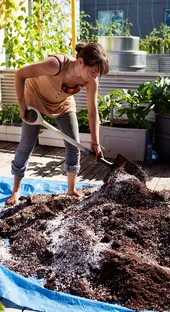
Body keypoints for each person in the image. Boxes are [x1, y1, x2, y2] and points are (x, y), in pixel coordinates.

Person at [7, 42, 110, 205]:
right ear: (80, 61)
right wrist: (22, 107)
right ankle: (16, 190)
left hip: (63, 104)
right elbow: (20, 74)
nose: (94, 76)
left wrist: (96, 143)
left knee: (74, 144)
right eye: (92, 72)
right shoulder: (56, 65)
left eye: (97, 74)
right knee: (27, 143)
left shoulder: (91, 80)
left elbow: (92, 112)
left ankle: (71, 189)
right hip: (35, 99)